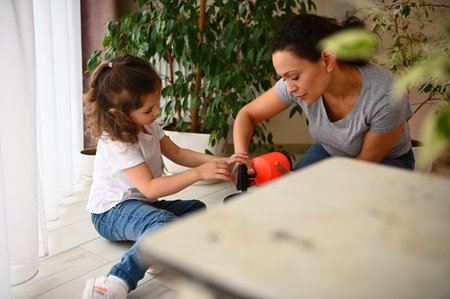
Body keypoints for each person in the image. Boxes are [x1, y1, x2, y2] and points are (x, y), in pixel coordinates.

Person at [82, 54, 247, 299]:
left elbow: (177, 153)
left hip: (140, 205)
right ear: (119, 113)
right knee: (164, 223)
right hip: (110, 213)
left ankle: (155, 251)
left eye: (157, 102)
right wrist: (198, 174)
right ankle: (114, 282)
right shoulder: (117, 140)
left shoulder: (148, 124)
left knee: (196, 209)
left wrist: (216, 161)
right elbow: (150, 187)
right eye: (149, 109)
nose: (158, 111)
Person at [233, 13, 415, 173]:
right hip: (331, 151)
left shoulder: (387, 96)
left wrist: (308, 185)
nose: (289, 89)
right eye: (284, 78)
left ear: (327, 59)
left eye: (294, 76)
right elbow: (247, 114)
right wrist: (241, 161)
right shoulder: (296, 86)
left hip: (383, 163)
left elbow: (361, 167)